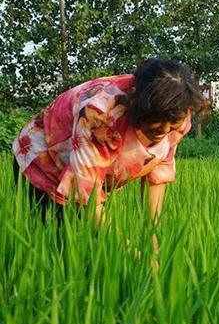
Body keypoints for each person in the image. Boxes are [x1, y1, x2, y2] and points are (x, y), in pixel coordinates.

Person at [12, 58, 204, 225]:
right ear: (137, 103)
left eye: (173, 123)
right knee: (60, 242)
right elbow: (86, 190)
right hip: (42, 162)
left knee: (91, 245)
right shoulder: (101, 114)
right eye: (157, 123)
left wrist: (151, 235)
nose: (165, 130)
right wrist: (127, 249)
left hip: (87, 172)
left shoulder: (178, 110)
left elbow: (159, 169)